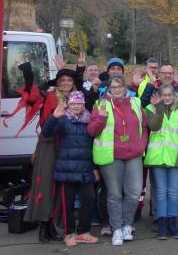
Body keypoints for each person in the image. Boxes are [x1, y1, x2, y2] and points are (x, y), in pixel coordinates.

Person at [87, 76, 148, 246]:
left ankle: (127, 225)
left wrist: (141, 144)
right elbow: (91, 131)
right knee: (114, 194)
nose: (117, 89)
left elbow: (144, 126)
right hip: (111, 155)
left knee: (134, 192)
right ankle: (117, 229)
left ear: (125, 87)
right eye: (113, 87)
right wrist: (101, 119)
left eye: (120, 86)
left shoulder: (136, 102)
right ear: (109, 89)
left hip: (134, 154)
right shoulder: (101, 104)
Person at [25, 66, 76, 243]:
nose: (66, 83)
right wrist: (27, 72)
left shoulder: (75, 99)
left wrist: (80, 69)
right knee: (46, 186)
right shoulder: (51, 97)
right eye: (63, 81)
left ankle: (53, 226)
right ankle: (43, 227)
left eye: (69, 80)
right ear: (58, 84)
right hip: (49, 146)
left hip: (65, 146)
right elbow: (32, 98)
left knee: (60, 189)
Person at [42, 91, 99, 246]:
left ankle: (83, 232)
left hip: (85, 169)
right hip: (66, 170)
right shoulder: (63, 119)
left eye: (79, 103)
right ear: (68, 104)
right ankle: (69, 233)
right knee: (67, 203)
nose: (76, 106)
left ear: (84, 104)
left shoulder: (89, 120)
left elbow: (93, 146)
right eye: (73, 103)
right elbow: (46, 133)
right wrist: (54, 117)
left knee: (89, 200)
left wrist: (94, 168)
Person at [145, 83, 178, 240]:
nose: (166, 98)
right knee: (161, 191)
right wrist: (159, 108)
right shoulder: (150, 108)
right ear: (159, 96)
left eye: (169, 95)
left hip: (175, 157)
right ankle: (162, 225)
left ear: (174, 95)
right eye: (163, 95)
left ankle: (173, 224)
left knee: (173, 192)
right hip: (157, 157)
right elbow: (154, 126)